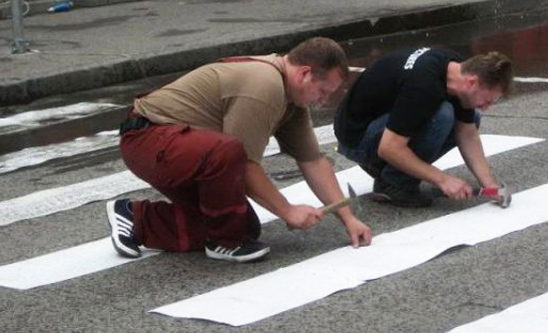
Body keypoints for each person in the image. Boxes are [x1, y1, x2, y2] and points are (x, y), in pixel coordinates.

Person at [106, 37, 372, 263]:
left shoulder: (292, 100)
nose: (324, 101)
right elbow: (244, 164)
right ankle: (223, 244)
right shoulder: (265, 84)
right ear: (304, 73)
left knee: (240, 226)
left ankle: (134, 217)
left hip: (184, 149)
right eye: (323, 91)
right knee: (230, 153)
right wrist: (287, 210)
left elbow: (312, 161)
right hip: (147, 138)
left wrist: (348, 218)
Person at [334, 47, 513, 207]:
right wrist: (443, 180)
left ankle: (390, 169)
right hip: (356, 139)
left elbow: (467, 134)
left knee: (472, 117)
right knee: (442, 115)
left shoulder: (456, 68)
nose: (486, 107)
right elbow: (389, 148)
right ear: (472, 82)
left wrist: (489, 186)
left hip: (383, 125)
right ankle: (394, 183)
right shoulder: (423, 85)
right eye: (487, 100)